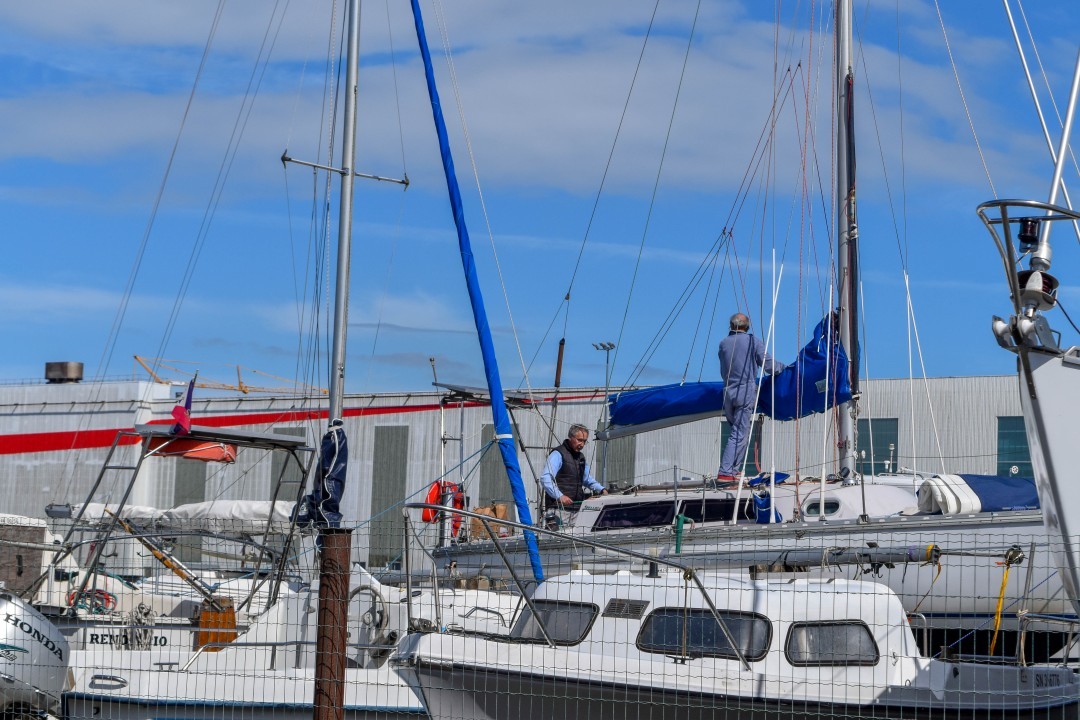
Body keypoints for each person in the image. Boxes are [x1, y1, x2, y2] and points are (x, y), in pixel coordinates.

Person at [717, 313, 785, 482]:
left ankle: (732, 469)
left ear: (731, 325)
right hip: (744, 391)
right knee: (739, 434)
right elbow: (769, 365)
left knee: (737, 432)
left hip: (728, 392)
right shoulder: (752, 341)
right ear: (746, 327)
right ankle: (726, 471)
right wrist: (785, 369)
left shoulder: (723, 343)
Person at [540, 424, 607, 511]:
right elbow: (545, 478)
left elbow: (586, 479)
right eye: (579, 440)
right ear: (570, 437)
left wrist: (601, 489)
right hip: (558, 508)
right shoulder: (558, 454)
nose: (582, 444)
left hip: (576, 508)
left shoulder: (581, 457)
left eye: (584, 441)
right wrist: (560, 496)